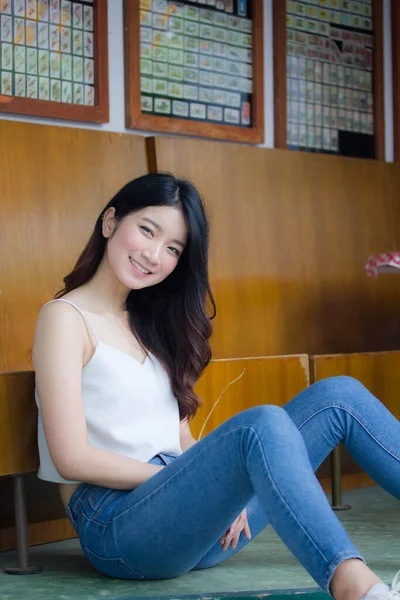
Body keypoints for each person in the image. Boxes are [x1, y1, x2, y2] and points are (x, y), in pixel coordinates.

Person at [33, 173, 400, 600]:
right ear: (111, 221)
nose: (153, 254)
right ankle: (356, 586)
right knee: (260, 424)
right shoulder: (64, 317)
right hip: (117, 525)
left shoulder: (152, 326)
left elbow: (182, 439)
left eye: (172, 248)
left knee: (340, 395)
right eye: (147, 230)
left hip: (190, 523)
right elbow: (71, 458)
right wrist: (181, 480)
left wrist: (218, 494)